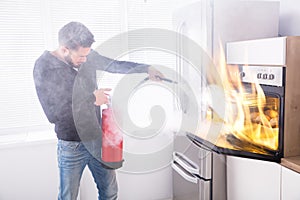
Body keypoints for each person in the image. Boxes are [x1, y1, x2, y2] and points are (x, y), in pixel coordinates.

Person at [33, 21, 163, 200]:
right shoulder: (44, 67)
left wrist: (146, 69)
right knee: (68, 197)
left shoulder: (86, 55)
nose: (86, 60)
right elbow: (54, 113)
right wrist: (92, 99)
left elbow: (114, 65)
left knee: (110, 193)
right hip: (71, 145)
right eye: (81, 56)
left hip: (96, 140)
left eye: (87, 55)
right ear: (64, 49)